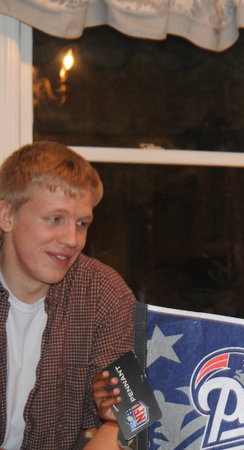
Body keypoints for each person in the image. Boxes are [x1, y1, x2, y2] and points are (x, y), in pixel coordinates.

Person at [0, 141, 135, 449]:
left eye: (82, 223)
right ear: (7, 215)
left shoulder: (103, 292)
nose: (72, 239)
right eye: (55, 219)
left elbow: (125, 418)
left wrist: (116, 418)